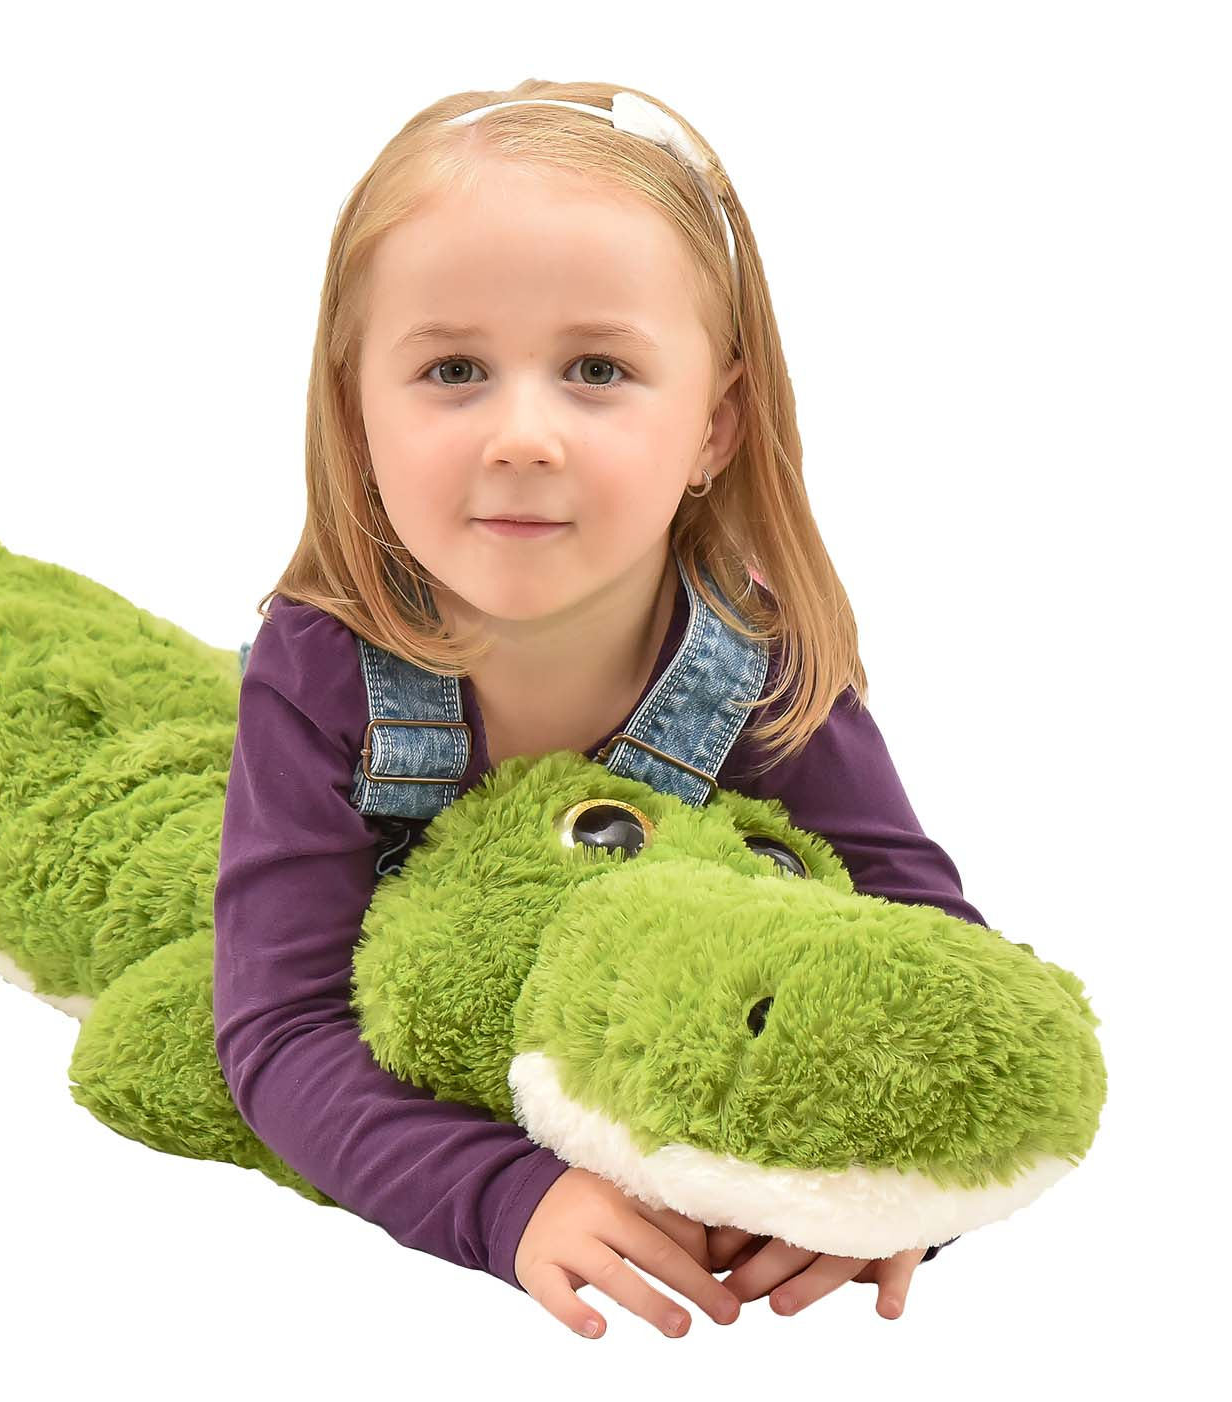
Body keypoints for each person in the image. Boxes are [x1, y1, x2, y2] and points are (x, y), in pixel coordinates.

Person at [213, 82, 982, 1343]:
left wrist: (900, 1183)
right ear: (357, 414)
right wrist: (503, 1196)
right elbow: (279, 1025)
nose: (523, 436)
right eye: (454, 369)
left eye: (597, 370)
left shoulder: (754, 659)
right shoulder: (321, 666)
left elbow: (925, 935)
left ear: (713, 425)